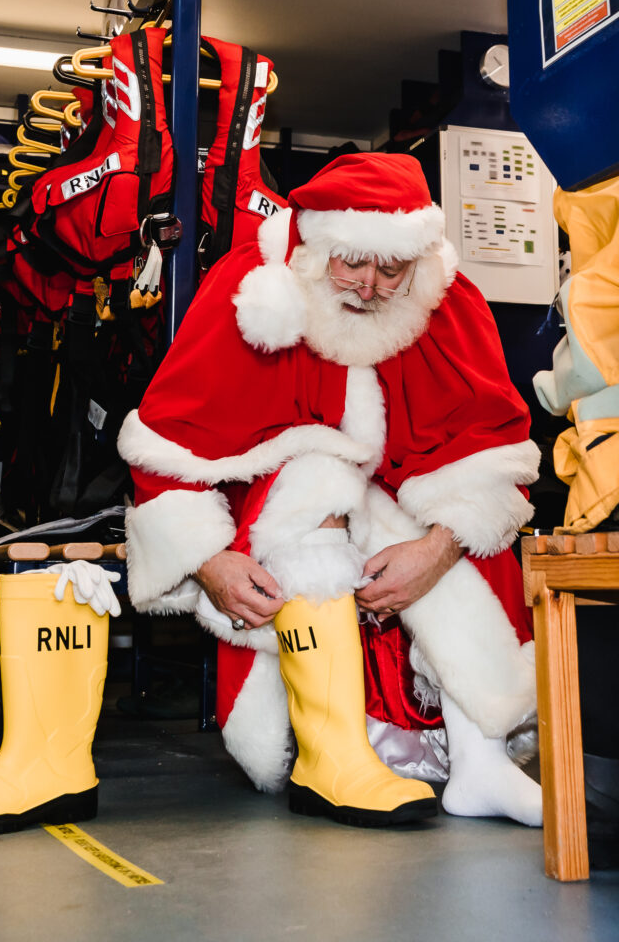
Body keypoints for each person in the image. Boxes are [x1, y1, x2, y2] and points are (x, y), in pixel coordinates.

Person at [117, 153, 543, 827]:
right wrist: (208, 559)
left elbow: (489, 450)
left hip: (399, 509)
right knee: (314, 483)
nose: (370, 286)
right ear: (316, 244)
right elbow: (166, 448)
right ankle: (335, 750)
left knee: (459, 513)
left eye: (391, 268)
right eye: (350, 262)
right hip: (285, 522)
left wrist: (437, 548)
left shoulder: (446, 299)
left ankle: (481, 759)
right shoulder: (252, 285)